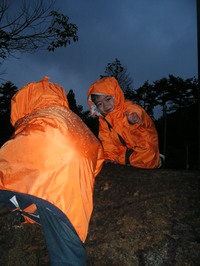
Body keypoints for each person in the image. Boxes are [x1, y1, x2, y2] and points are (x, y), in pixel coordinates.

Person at [0, 77, 104, 265]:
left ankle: (28, 205)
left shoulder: (34, 117)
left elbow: (13, 151)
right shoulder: (74, 120)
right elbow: (98, 158)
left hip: (37, 176)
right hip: (67, 188)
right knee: (66, 248)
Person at [87, 76, 161, 169]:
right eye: (100, 104)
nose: (105, 106)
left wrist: (134, 119)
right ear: (96, 107)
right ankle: (126, 160)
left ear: (115, 96)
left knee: (147, 156)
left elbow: (139, 112)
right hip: (128, 151)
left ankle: (157, 160)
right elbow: (107, 142)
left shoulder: (127, 107)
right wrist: (109, 158)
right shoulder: (104, 121)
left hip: (143, 146)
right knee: (106, 156)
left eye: (108, 99)